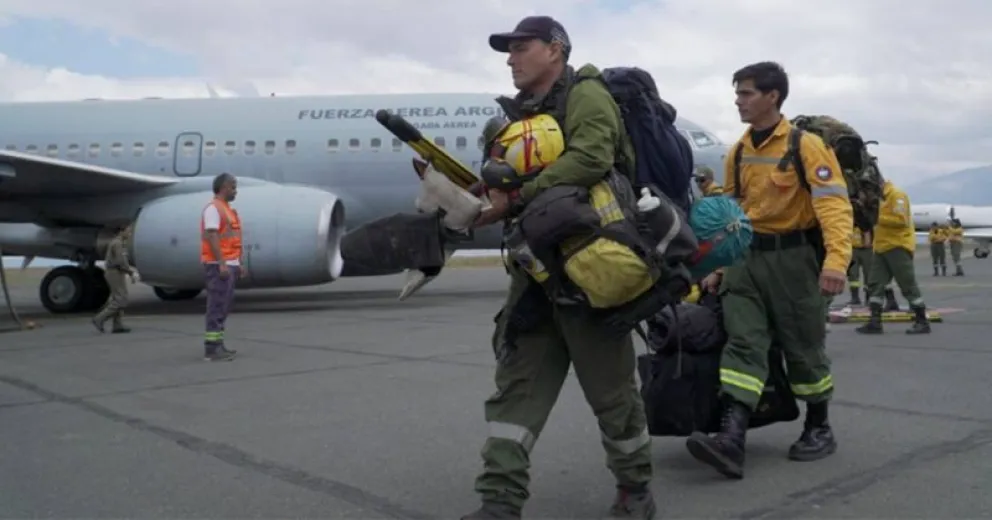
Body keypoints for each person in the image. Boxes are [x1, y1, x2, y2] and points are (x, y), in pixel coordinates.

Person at [462, 15, 656, 520]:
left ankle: (635, 488)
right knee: (515, 392)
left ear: (555, 49)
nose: (511, 59)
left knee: (613, 398)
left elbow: (591, 158)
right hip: (535, 277)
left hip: (590, 274)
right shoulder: (520, 115)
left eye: (520, 47)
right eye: (508, 50)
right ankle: (499, 502)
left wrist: (518, 197)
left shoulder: (586, 94)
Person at [686, 61, 852, 480]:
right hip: (745, 259)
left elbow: (833, 206)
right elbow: (730, 212)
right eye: (738, 93)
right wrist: (717, 264)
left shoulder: (805, 146)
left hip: (793, 260)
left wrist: (835, 262)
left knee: (803, 345)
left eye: (746, 93)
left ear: (772, 96)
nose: (738, 101)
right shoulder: (738, 151)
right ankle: (731, 439)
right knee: (743, 342)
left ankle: (819, 426)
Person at [855, 178, 931, 334]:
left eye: (867, 190)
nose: (866, 194)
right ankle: (875, 322)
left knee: (907, 283)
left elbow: (901, 220)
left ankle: (922, 320)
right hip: (881, 247)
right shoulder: (878, 200)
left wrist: (877, 217)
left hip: (897, 246)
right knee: (875, 283)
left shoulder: (896, 195)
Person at [201, 173, 246, 361]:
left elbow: (232, 239)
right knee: (217, 306)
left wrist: (238, 263)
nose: (235, 191)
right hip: (219, 265)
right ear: (223, 187)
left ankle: (218, 344)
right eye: (233, 187)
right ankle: (212, 349)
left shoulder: (227, 210)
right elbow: (212, 236)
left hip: (229, 264)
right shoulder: (214, 209)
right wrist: (222, 263)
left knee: (223, 307)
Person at [92, 224, 137, 333]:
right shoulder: (117, 244)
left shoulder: (119, 242)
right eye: (128, 231)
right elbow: (120, 261)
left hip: (116, 272)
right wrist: (130, 272)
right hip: (115, 272)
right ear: (121, 231)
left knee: (117, 298)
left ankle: (117, 325)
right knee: (121, 299)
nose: (129, 233)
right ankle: (99, 318)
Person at [846, 226, 872, 305]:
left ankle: (869, 297)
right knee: (852, 274)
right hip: (852, 249)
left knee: (868, 274)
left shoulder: (868, 220)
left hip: (867, 250)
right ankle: (855, 297)